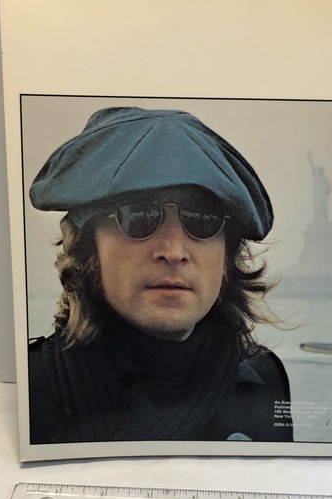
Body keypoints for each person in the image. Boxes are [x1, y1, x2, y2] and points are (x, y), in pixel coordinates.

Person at [27, 107, 293, 444]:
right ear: (87, 248)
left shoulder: (266, 380)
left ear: (227, 256)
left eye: (202, 219)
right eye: (139, 216)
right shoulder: (33, 386)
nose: (173, 250)